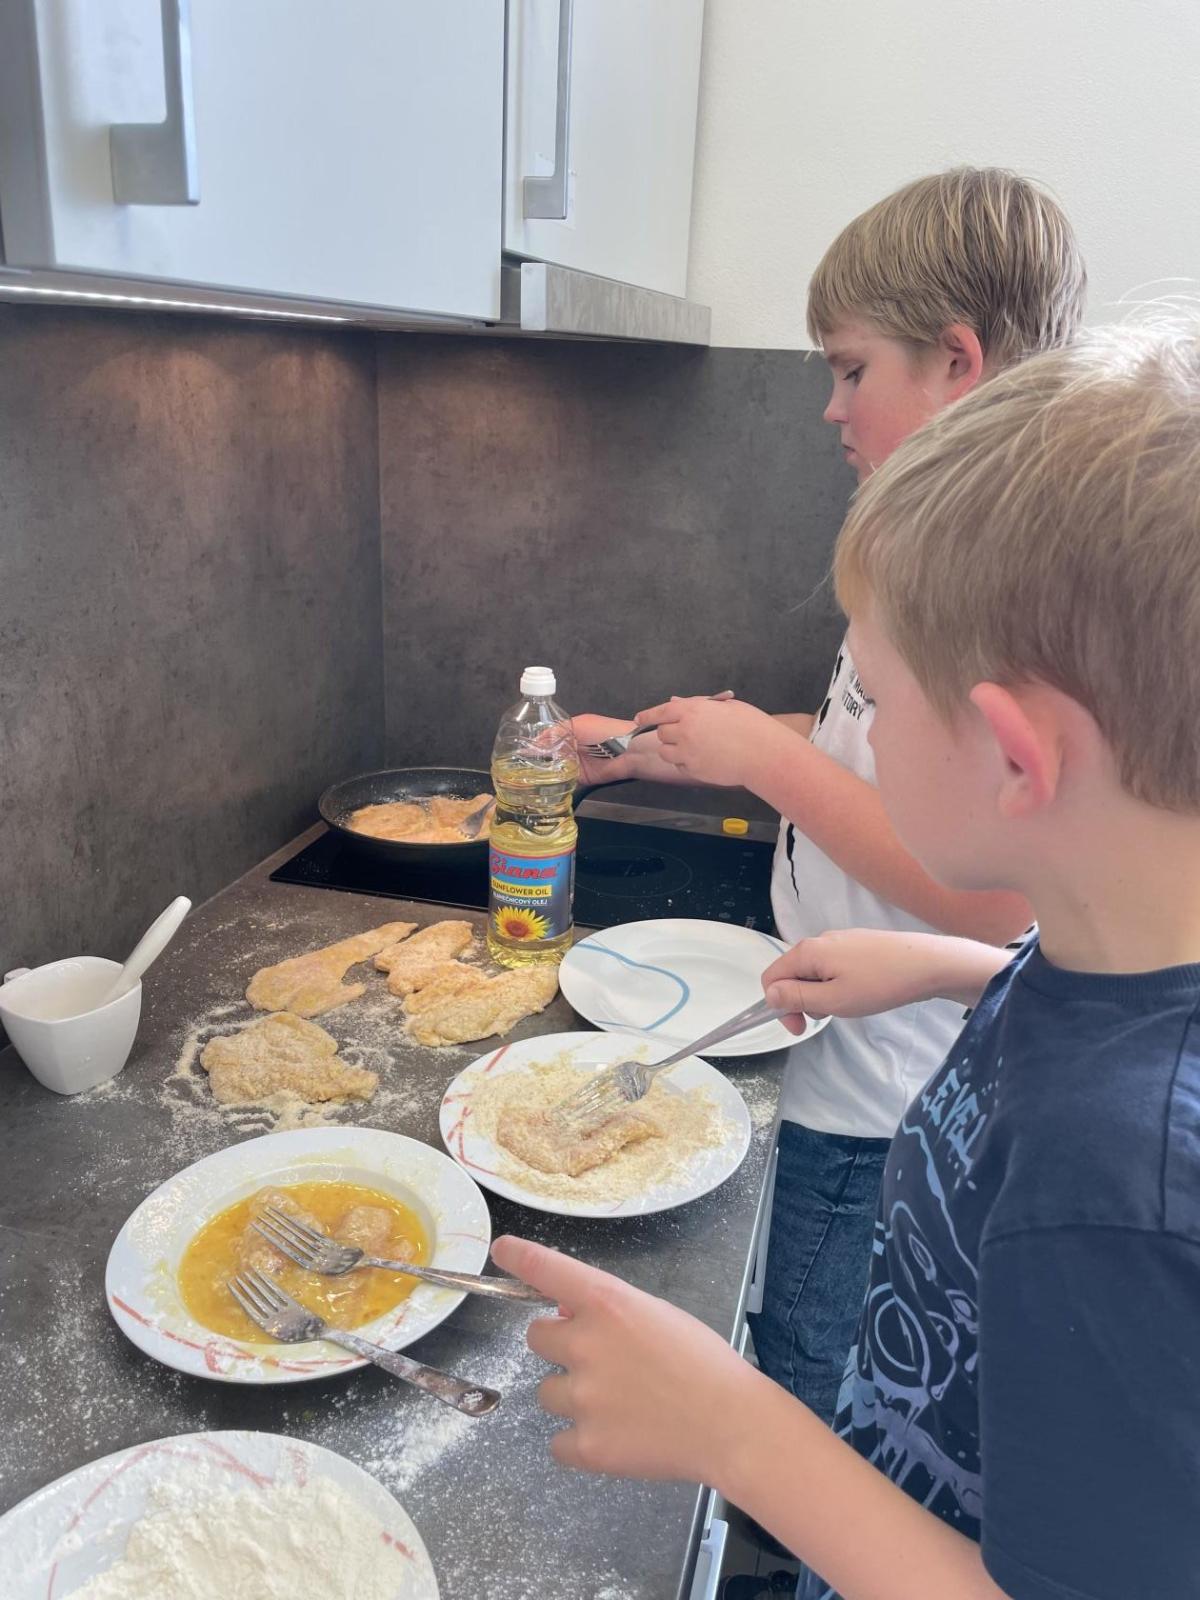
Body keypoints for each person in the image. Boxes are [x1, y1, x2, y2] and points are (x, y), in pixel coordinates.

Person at [497, 319, 1200, 1599]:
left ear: (1014, 757)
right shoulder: (1112, 960)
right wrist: (952, 969)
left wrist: (738, 1431)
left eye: (875, 698)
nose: (852, 722)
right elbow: (1100, 1019)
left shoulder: (1117, 1192)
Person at [574, 168, 1086, 1422]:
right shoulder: (922, 544)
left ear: (957, 361)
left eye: (852, 369)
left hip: (880, 1099)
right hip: (831, 1042)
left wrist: (765, 758)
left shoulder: (1001, 585)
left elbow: (998, 904)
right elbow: (861, 747)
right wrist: (670, 748)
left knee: (810, 1384)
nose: (829, 405)